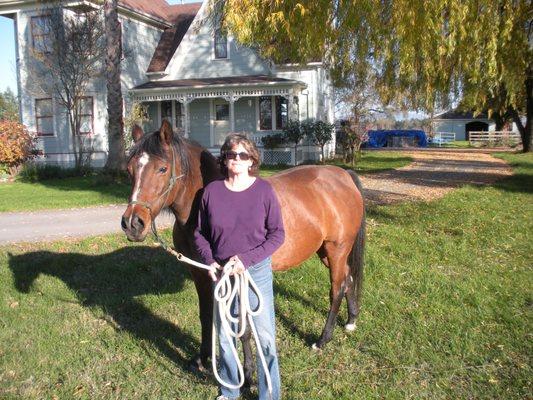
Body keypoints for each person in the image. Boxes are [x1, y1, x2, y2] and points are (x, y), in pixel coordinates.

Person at [193, 133, 285, 400]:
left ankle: (270, 394)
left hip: (254, 272)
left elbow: (277, 234)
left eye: (242, 155)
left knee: (264, 337)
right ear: (225, 159)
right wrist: (210, 261)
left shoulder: (264, 190)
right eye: (231, 154)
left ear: (251, 160)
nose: (236, 159)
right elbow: (200, 233)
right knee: (225, 336)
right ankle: (230, 390)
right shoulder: (211, 192)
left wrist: (245, 261)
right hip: (222, 275)